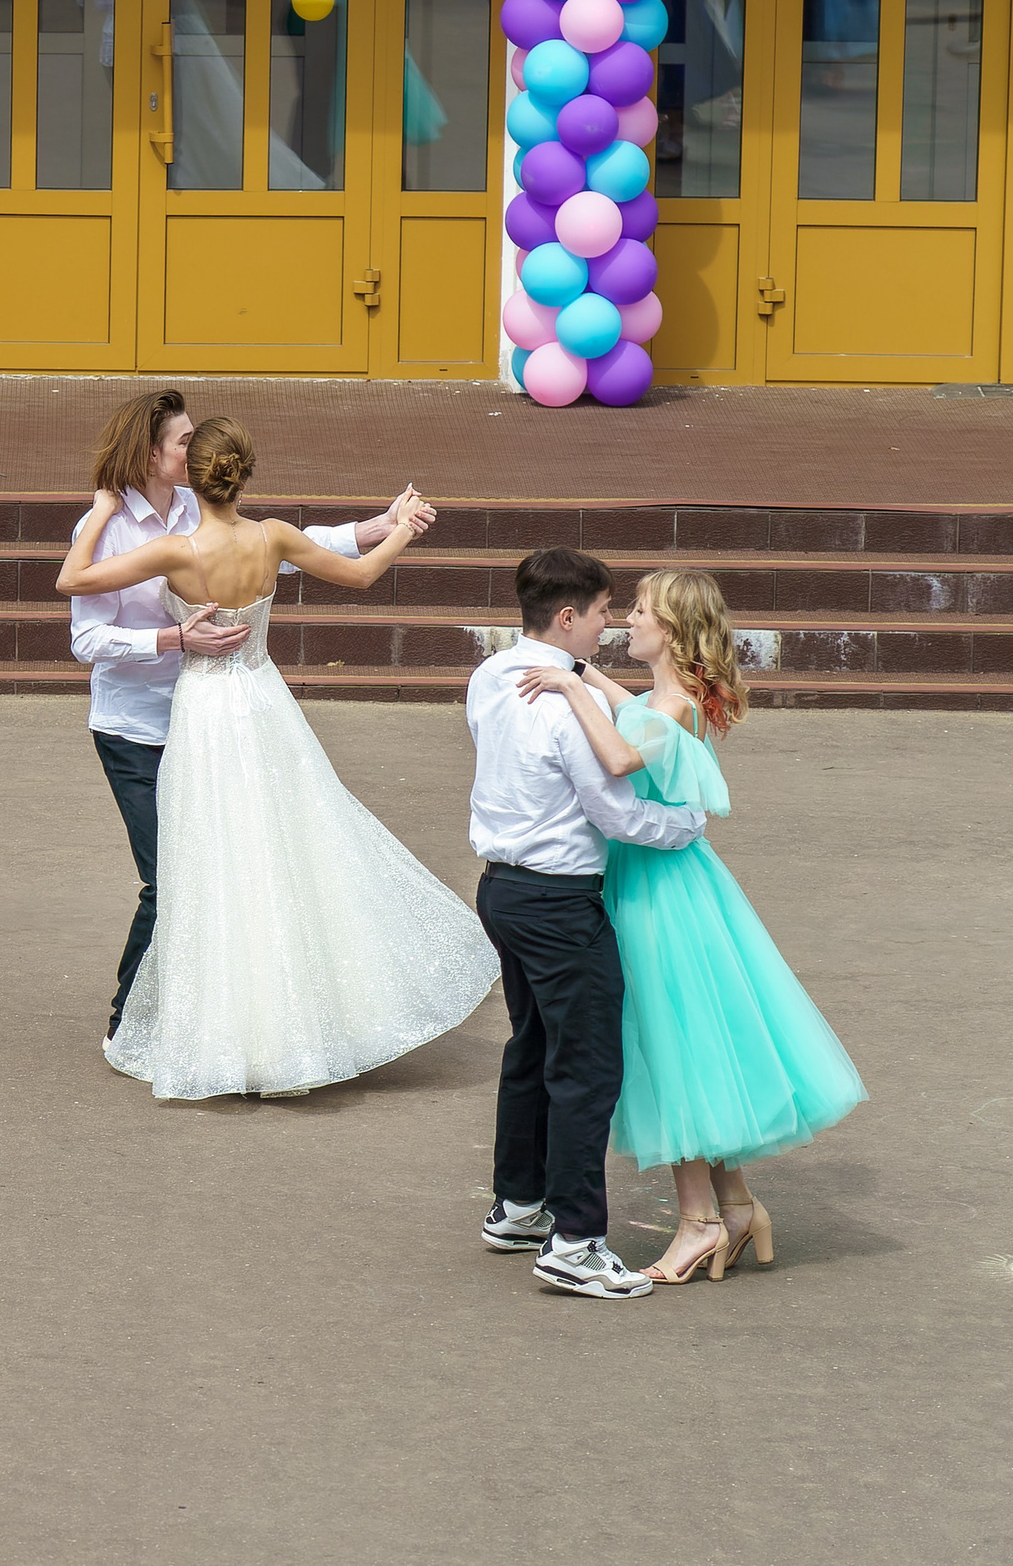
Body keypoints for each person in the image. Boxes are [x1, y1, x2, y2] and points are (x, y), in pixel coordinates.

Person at [57, 418, 493, 1100]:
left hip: (200, 713)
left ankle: (224, 1033)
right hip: (262, 704)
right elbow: (361, 572)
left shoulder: (176, 550)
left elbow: (71, 577)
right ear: (242, 472)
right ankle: (295, 1026)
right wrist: (401, 524)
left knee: (207, 865)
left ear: (194, 478)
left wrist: (103, 509)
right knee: (280, 852)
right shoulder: (273, 536)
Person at [516, 569, 866, 1283]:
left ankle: (700, 1221)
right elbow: (637, 707)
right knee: (693, 1043)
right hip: (675, 883)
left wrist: (572, 687)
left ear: (671, 629)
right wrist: (581, 670)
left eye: (639, 612)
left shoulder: (672, 707)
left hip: (656, 895)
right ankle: (733, 1205)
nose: (626, 623)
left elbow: (619, 752)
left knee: (667, 1049)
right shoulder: (673, 699)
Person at [466, 549, 707, 1300]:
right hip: (562, 903)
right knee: (588, 1067)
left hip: (502, 891)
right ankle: (576, 1240)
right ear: (567, 617)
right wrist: (687, 826)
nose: (610, 626)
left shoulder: (488, 676)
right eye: (604, 612)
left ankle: (518, 1204)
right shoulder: (574, 702)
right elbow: (616, 812)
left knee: (532, 1045)